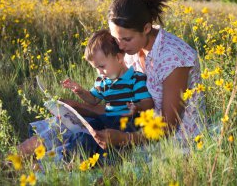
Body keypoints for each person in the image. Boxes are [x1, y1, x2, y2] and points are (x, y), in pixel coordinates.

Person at [89, 0, 206, 149]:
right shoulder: (133, 49)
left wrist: (124, 139)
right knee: (80, 133)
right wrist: (80, 107)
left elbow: (169, 127)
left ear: (146, 28)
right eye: (116, 39)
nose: (120, 46)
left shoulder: (173, 58)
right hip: (135, 127)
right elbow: (120, 102)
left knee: (91, 156)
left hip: (176, 142)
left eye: (126, 39)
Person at [18, 29, 154, 157]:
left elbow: (148, 103)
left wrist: (138, 107)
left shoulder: (135, 78)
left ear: (118, 58)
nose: (99, 72)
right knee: (81, 132)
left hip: (126, 126)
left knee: (91, 142)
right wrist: (80, 91)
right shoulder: (103, 81)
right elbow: (93, 100)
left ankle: (65, 157)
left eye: (102, 66)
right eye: (96, 68)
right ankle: (56, 153)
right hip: (105, 121)